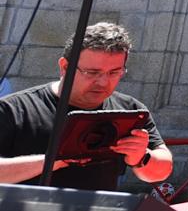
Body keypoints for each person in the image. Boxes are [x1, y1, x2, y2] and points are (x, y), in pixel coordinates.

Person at [0, 22, 173, 189]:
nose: (103, 82)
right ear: (65, 67)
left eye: (114, 72)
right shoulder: (14, 110)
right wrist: (54, 161)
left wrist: (141, 157)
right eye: (92, 72)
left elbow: (162, 171)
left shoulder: (129, 109)